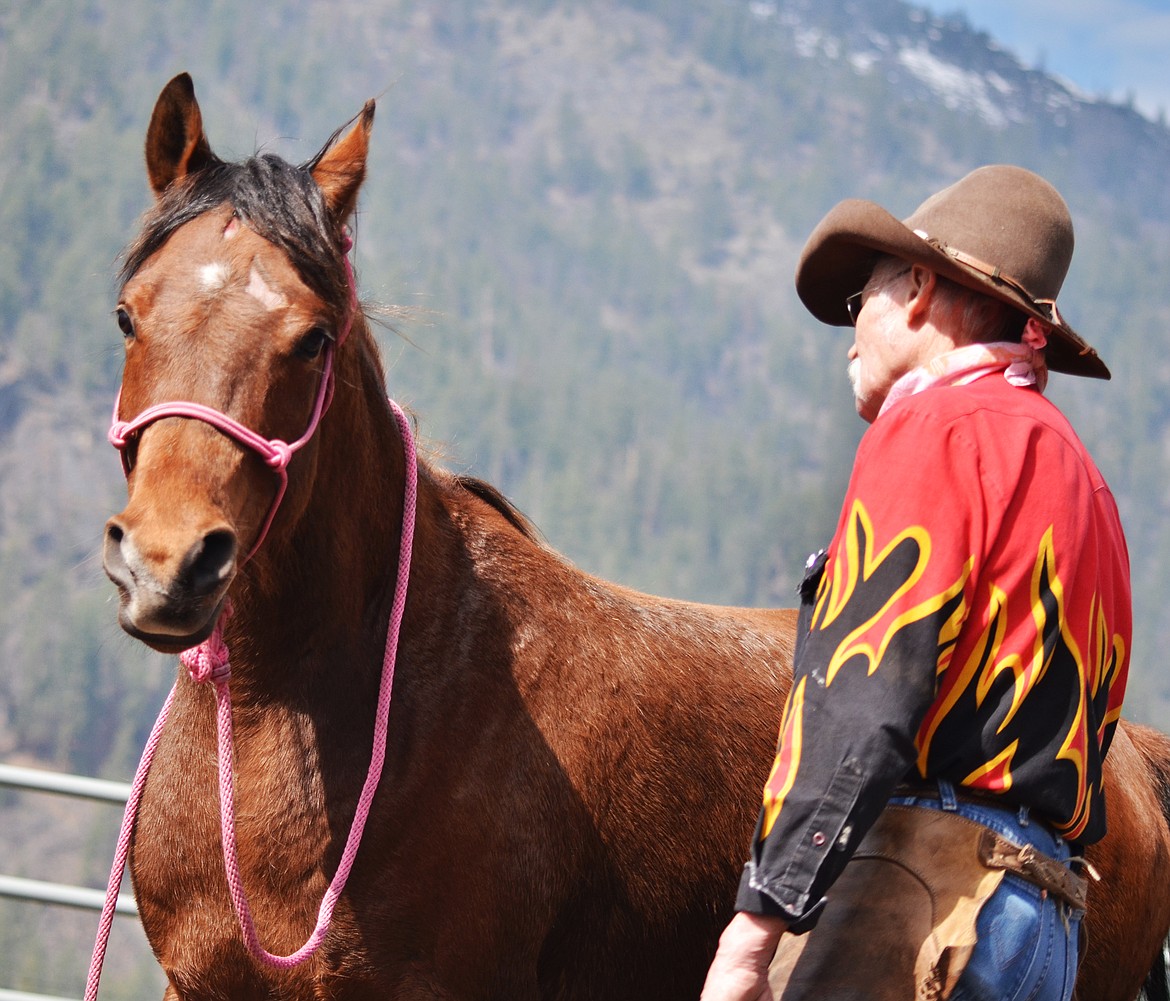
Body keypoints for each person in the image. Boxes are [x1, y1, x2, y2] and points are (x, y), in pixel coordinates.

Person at [702, 165, 1131, 1001]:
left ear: (921, 291)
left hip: (929, 896)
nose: (852, 331)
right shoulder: (1086, 482)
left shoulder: (933, 426)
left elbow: (863, 699)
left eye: (863, 297)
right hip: (1042, 920)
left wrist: (755, 926)